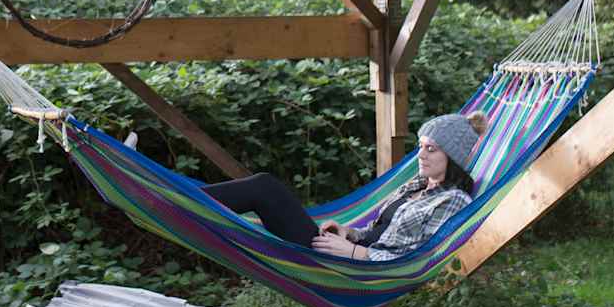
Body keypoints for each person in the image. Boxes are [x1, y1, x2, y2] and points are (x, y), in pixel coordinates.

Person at [196, 110, 488, 260]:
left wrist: (353, 253)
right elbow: (379, 231)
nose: (420, 155)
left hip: (355, 271)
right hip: (346, 252)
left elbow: (422, 259)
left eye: (431, 149)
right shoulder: (415, 185)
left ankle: (177, 200)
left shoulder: (454, 201)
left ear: (453, 158)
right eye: (420, 146)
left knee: (264, 188)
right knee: (263, 186)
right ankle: (179, 201)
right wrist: (349, 234)